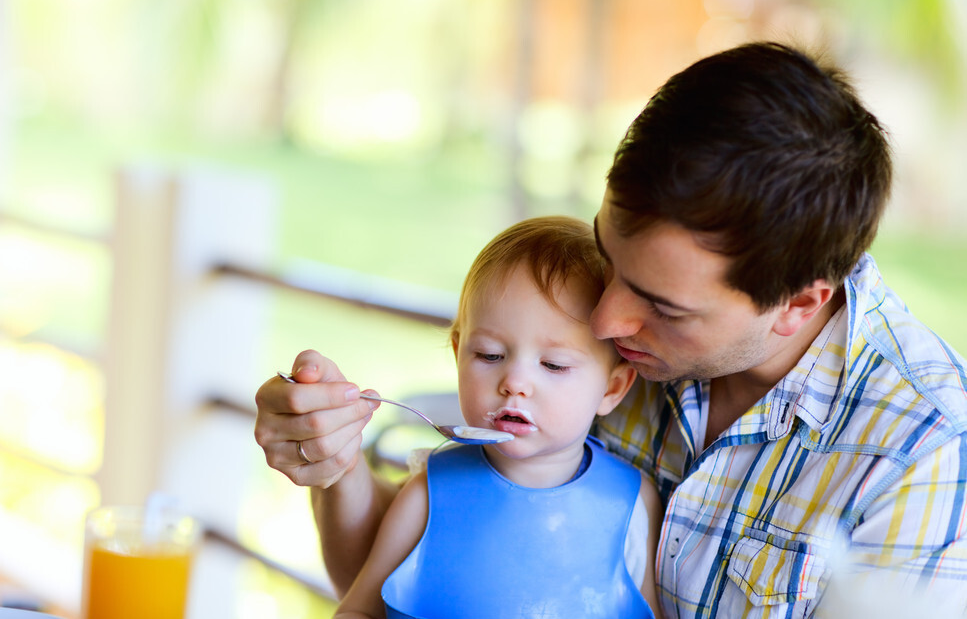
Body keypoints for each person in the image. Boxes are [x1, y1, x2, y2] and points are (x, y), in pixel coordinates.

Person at [254, 41, 967, 618]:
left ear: (799, 304)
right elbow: (418, 572)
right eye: (610, 258)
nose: (604, 319)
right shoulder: (587, 340)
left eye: (662, 304)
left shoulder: (919, 455)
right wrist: (334, 464)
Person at [330, 215, 661, 618]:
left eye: (554, 364)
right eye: (489, 355)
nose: (515, 382)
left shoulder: (632, 503)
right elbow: (359, 609)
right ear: (458, 355)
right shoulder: (428, 494)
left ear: (611, 389)